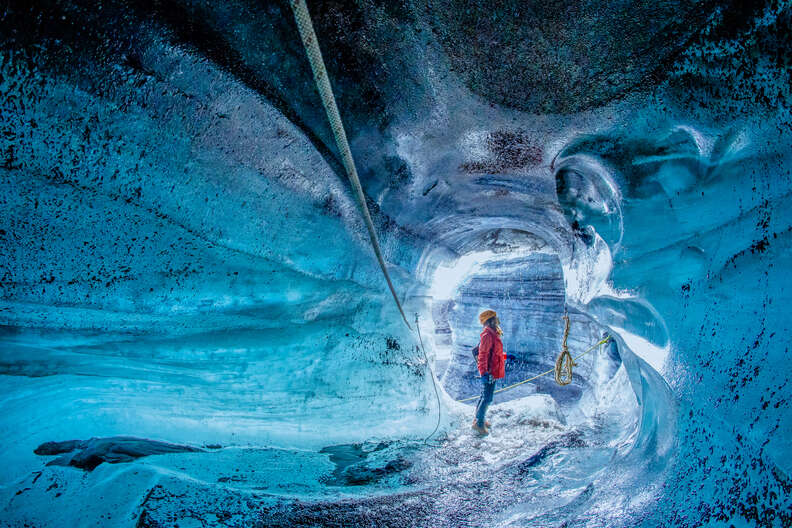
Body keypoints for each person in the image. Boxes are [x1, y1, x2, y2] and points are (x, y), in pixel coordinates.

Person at [472, 309, 506, 435]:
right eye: (494, 318)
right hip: (489, 371)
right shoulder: (487, 335)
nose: (497, 320)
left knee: (484, 395)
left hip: (492, 369)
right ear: (490, 320)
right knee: (487, 397)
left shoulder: (493, 333)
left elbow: (494, 354)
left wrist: (506, 356)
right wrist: (483, 373)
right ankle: (479, 424)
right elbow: (483, 355)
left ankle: (479, 419)